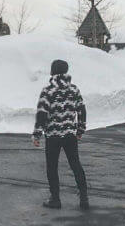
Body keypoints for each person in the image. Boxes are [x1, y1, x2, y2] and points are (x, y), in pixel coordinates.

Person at [32, 59, 89, 210]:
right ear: (66, 72)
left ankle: (55, 199)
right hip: (70, 135)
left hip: (53, 135)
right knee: (75, 164)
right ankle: (84, 198)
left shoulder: (48, 91)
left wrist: (37, 134)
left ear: (52, 72)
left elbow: (42, 114)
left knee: (52, 167)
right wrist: (80, 129)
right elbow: (82, 110)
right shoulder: (74, 89)